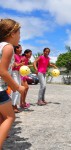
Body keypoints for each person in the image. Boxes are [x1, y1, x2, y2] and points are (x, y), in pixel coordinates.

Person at [0, 18, 25, 150]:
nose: (20, 37)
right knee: (10, 117)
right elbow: (3, 72)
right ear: (12, 33)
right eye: (19, 33)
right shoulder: (8, 47)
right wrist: (17, 87)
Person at [11, 44, 24, 113]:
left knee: (18, 89)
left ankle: (15, 104)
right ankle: (13, 105)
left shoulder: (20, 56)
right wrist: (20, 64)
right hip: (14, 72)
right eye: (20, 48)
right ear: (16, 49)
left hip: (18, 72)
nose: (21, 49)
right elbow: (12, 65)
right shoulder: (14, 55)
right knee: (16, 88)